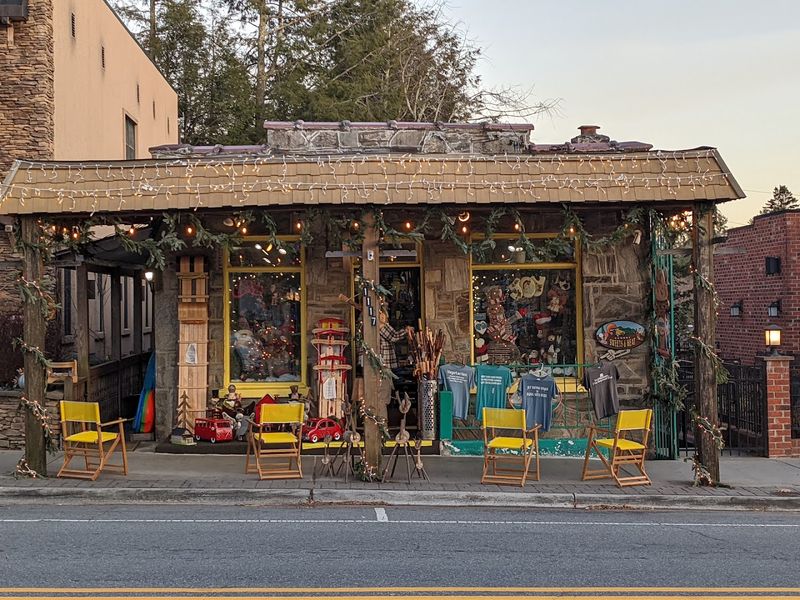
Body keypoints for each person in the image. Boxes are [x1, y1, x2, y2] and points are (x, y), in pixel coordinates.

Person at [378, 310, 413, 406]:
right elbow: (394, 336)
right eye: (380, 313)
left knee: (386, 390)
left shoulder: (383, 326)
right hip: (384, 363)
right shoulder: (381, 326)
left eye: (383, 313)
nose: (382, 316)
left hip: (384, 363)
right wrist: (406, 330)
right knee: (384, 391)